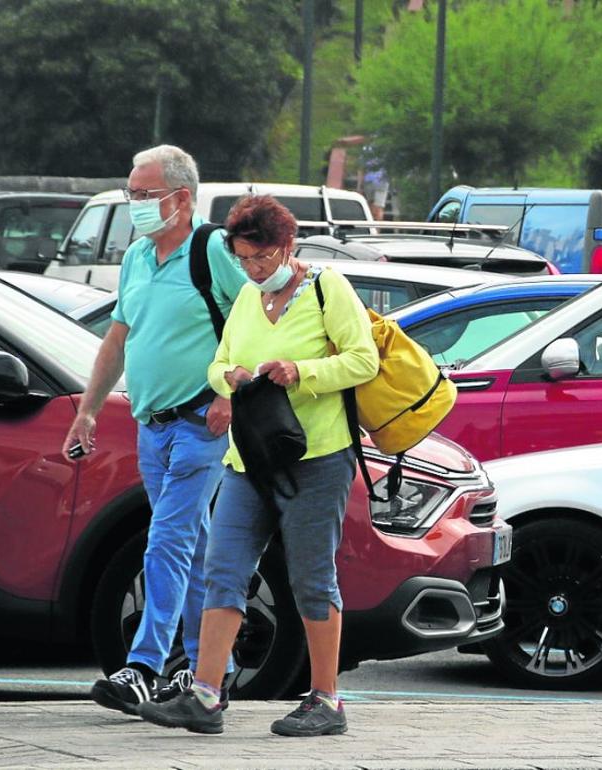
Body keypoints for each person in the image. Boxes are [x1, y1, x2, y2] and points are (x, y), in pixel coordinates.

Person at [138, 195, 379, 737]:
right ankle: (204, 696)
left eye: (261, 259)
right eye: (244, 260)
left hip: (316, 458)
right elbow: (218, 363)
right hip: (248, 459)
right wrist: (234, 377)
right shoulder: (248, 297)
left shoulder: (326, 287)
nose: (252, 270)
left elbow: (364, 359)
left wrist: (301, 371)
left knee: (312, 579)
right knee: (222, 569)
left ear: (286, 246)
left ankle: (327, 701)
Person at [63, 145, 248, 713]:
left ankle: (142, 665)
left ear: (182, 198)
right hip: (154, 426)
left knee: (166, 540)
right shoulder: (138, 257)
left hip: (202, 423)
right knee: (188, 549)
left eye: (144, 195)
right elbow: (119, 337)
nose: (135, 204)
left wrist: (227, 393)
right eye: (131, 193)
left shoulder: (211, 249)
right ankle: (205, 669)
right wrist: (88, 409)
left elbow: (260, 318)